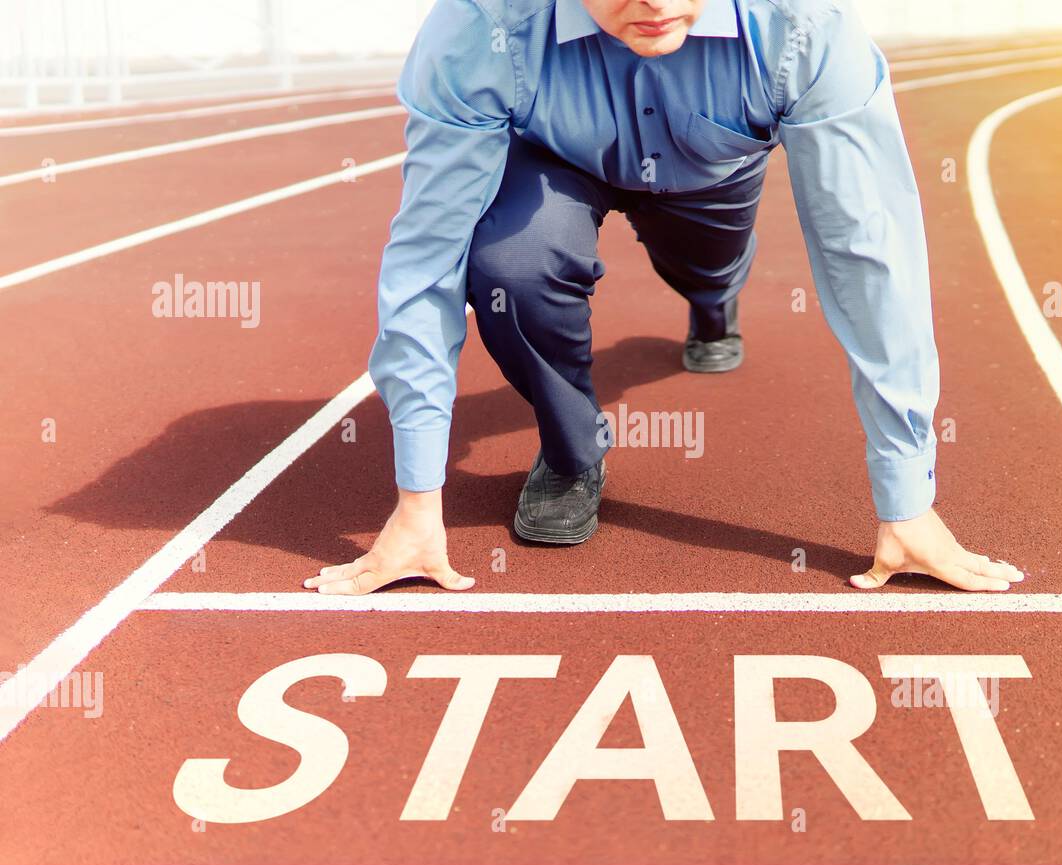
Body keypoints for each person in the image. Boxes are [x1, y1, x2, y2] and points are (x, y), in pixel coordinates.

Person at [304, 0, 1024, 595]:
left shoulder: (804, 25)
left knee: (709, 274)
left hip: (710, 174)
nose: (652, 2)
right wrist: (418, 501)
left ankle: (713, 303)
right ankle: (571, 453)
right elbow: (428, 252)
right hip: (557, 158)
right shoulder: (483, 25)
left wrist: (908, 498)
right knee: (510, 267)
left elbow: (870, 254)